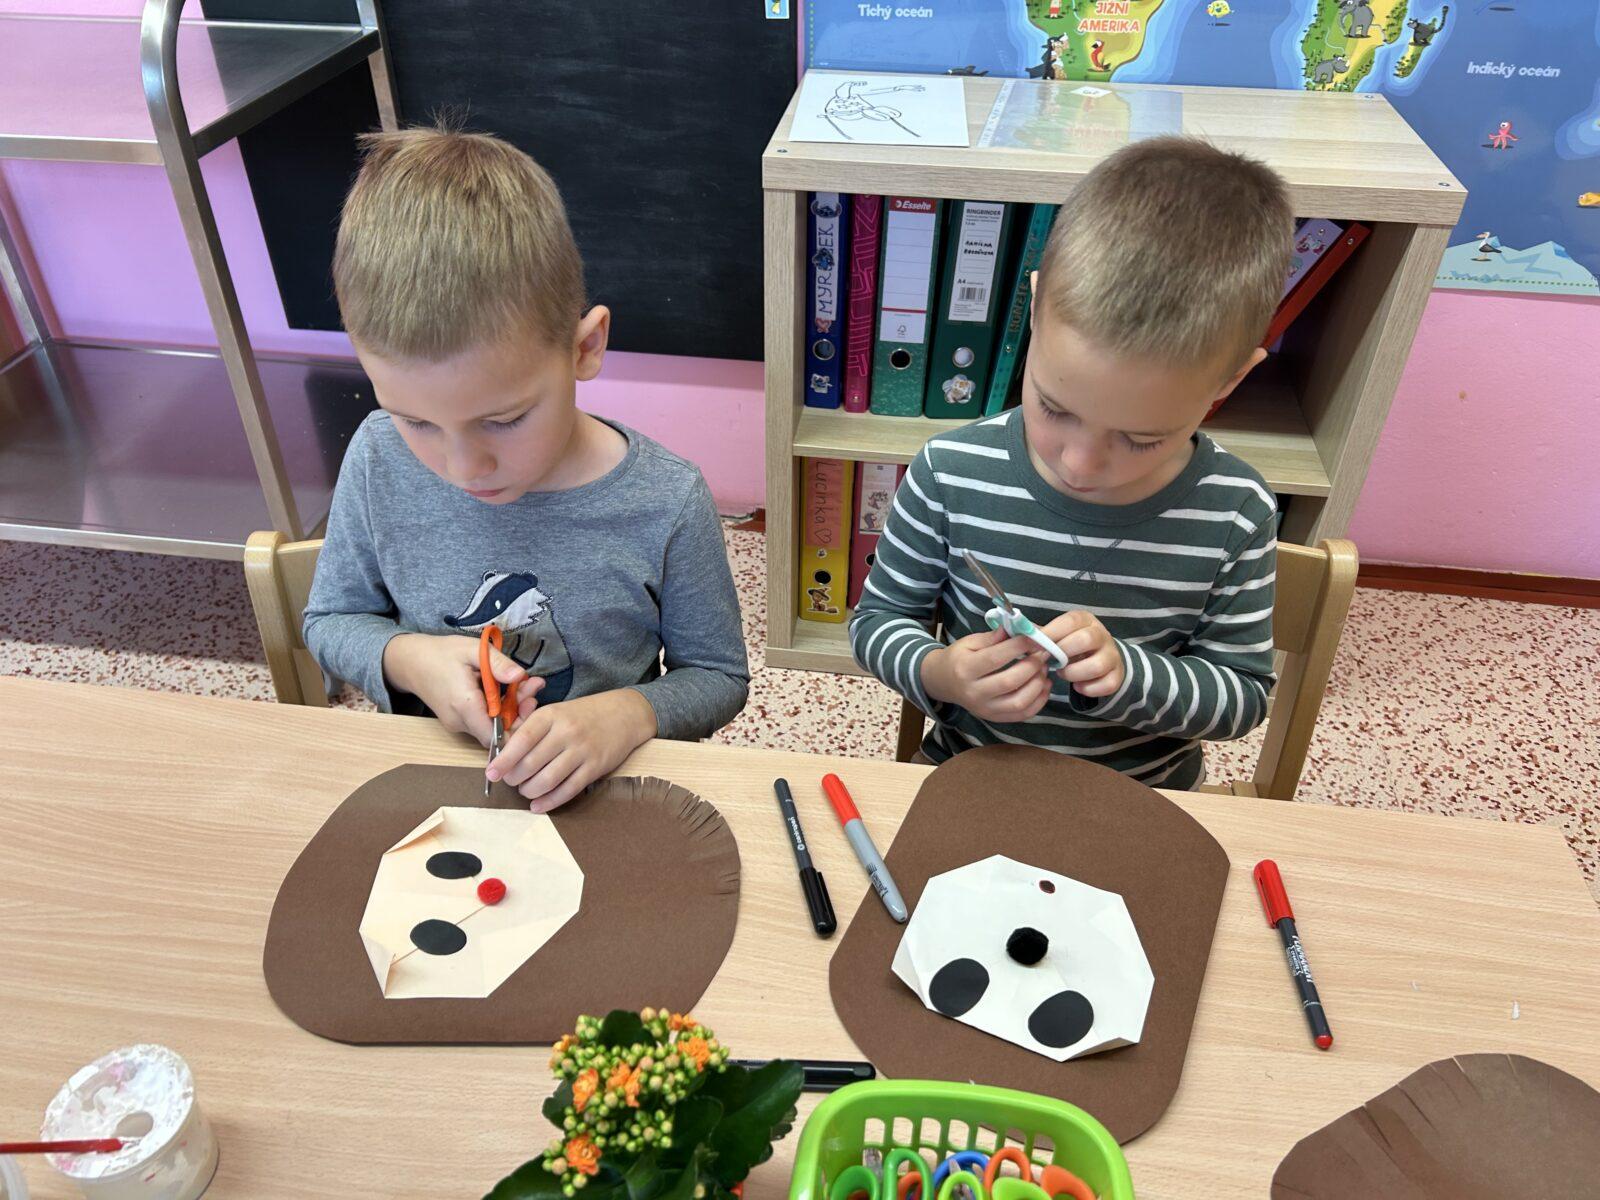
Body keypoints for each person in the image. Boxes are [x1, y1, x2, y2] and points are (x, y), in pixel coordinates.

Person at [304, 125, 748, 810]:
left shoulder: (668, 500)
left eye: (504, 419)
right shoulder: (376, 456)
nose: (464, 467)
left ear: (585, 348)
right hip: (430, 787)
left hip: (606, 799)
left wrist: (628, 714)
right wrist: (411, 659)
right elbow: (332, 619)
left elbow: (718, 677)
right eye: (416, 421)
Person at [850, 136, 1290, 787]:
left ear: (1230, 380)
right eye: (1054, 407)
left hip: (1146, 793)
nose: (1079, 465)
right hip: (972, 775)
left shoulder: (1236, 513)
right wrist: (940, 673)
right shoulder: (949, 472)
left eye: (1141, 439)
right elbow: (877, 624)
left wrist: (1131, 676)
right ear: (1034, 307)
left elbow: (1244, 698)